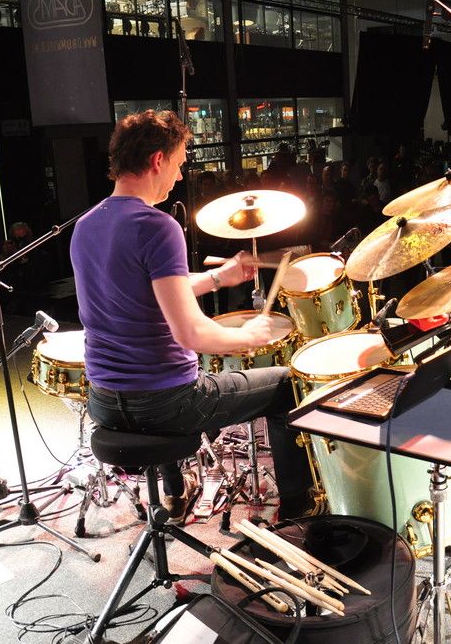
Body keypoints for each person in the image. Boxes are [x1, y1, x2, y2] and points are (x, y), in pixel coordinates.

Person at [70, 110, 312, 523]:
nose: (180, 176)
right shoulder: (157, 225)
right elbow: (191, 334)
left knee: (157, 369)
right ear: (157, 160)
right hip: (166, 404)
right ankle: (297, 509)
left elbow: (150, 291)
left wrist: (219, 277)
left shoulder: (86, 225)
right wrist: (251, 335)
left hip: (104, 400)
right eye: (179, 164)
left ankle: (175, 491)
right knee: (289, 385)